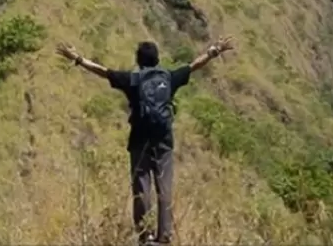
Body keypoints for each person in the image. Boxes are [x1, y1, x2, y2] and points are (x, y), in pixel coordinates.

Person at [56, 37, 236, 245]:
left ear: (138, 60)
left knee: (141, 186)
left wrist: (78, 58)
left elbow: (104, 72)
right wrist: (214, 51)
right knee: (164, 187)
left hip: (140, 139)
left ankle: (145, 236)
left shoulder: (132, 80)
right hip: (163, 139)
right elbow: (193, 65)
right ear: (157, 59)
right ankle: (165, 236)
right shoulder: (168, 77)